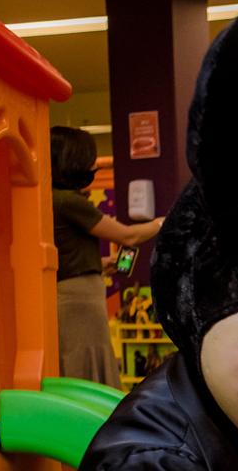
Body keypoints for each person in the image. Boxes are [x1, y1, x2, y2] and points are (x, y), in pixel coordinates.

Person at [50, 126, 163, 387]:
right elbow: (128, 237)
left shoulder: (51, 200)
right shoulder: (69, 201)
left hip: (72, 292)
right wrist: (161, 223)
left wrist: (97, 264)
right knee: (86, 361)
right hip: (78, 301)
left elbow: (64, 253)